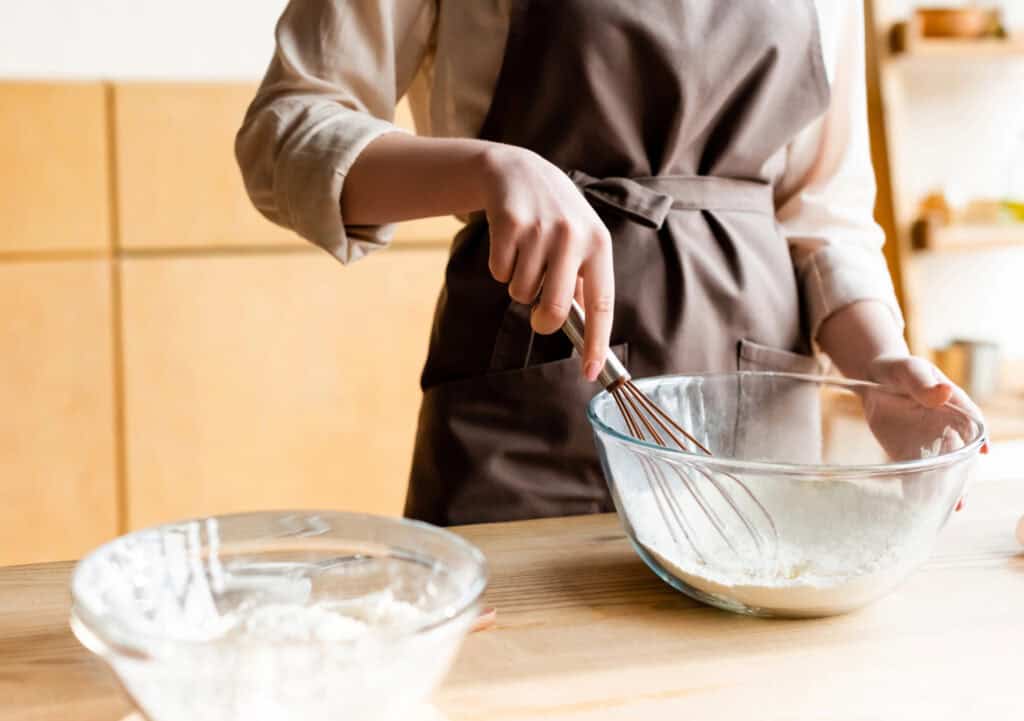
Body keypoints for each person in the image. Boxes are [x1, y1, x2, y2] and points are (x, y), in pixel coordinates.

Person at [236, 0, 986, 527]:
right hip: (530, 407)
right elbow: (286, 133)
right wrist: (489, 169)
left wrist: (881, 360)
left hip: (763, 434)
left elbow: (824, 214)